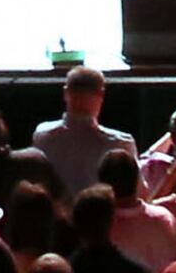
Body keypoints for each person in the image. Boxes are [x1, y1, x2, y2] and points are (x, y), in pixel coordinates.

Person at [28, 66, 132, 202]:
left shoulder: (42, 135)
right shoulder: (120, 143)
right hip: (101, 221)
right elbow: (139, 195)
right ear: (101, 95)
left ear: (65, 93)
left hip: (55, 221)